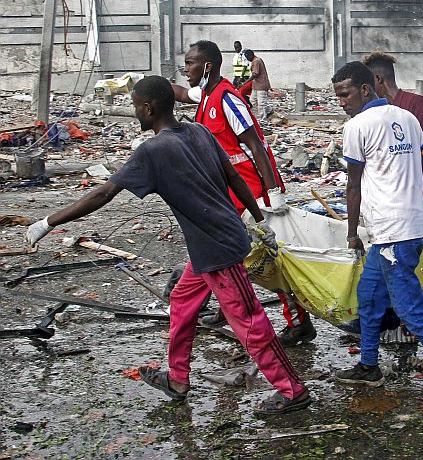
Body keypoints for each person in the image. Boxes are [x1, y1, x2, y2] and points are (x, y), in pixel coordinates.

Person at [25, 76, 309, 415]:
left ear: (149, 108)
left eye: (135, 107)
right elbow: (233, 176)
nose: (135, 114)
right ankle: (177, 378)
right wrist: (258, 221)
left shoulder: (153, 150)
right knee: (182, 301)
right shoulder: (199, 131)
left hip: (219, 248)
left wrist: (47, 222)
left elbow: (103, 194)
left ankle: (292, 391)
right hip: (209, 245)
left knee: (249, 322)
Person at [331, 61, 423, 402]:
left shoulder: (357, 127)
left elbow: (353, 186)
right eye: (337, 96)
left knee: (409, 307)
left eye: (345, 94)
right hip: (403, 228)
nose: (341, 102)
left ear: (365, 89)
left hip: (391, 231)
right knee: (368, 296)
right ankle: (368, 366)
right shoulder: (407, 118)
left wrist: (351, 233)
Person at [171, 40, 316, 347]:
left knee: (268, 262)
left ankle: (300, 322)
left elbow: (257, 144)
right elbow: (181, 93)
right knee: (229, 257)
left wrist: (272, 193)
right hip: (228, 194)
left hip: (250, 193)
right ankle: (230, 308)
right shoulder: (206, 95)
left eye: (190, 64)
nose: (186, 70)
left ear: (207, 66)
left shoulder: (228, 99)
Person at [364, 50, 423, 209]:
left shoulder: (416, 103)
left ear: (378, 79)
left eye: (367, 85)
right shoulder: (382, 111)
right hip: (404, 192)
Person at [238, 49, 271, 121]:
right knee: (252, 100)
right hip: (256, 85)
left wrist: (244, 83)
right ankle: (268, 110)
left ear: (250, 55)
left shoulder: (257, 61)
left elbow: (255, 74)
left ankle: (263, 118)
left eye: (247, 57)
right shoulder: (254, 61)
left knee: (261, 103)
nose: (247, 59)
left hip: (261, 85)